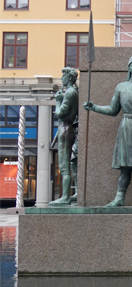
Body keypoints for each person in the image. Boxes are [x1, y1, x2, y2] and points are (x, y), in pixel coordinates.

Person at [84, 53, 132, 207]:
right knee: (125, 166)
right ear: (128, 68)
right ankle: (119, 198)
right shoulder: (121, 87)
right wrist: (94, 107)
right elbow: (113, 110)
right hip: (127, 127)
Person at [49, 67, 79, 206]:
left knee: (64, 165)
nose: (62, 79)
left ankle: (65, 196)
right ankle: (69, 194)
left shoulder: (70, 93)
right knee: (68, 163)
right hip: (67, 128)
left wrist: (58, 100)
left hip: (65, 128)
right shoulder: (72, 92)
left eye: (63, 76)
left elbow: (60, 113)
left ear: (69, 78)